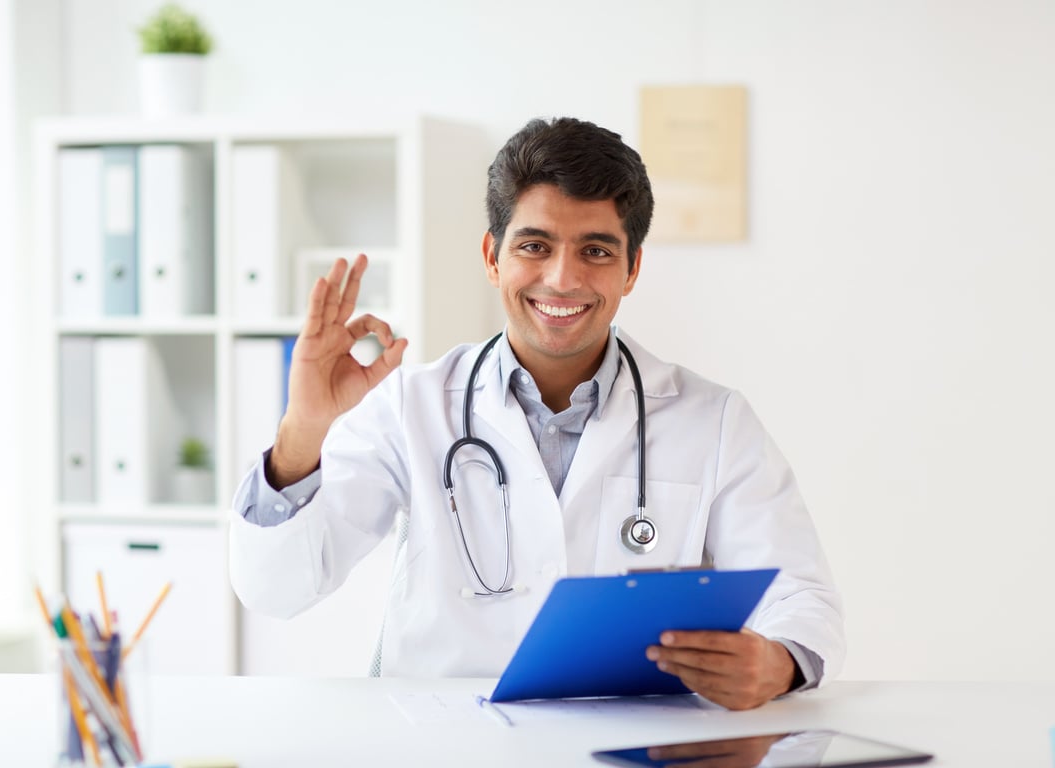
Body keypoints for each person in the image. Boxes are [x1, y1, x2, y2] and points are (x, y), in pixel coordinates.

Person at [230, 117, 844, 711]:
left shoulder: (712, 419)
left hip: (626, 744)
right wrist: (303, 430)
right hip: (444, 748)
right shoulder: (411, 405)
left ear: (631, 269)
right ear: (492, 256)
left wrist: (779, 661)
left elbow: (799, 594)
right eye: (534, 245)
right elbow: (275, 589)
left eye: (596, 250)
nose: (562, 277)